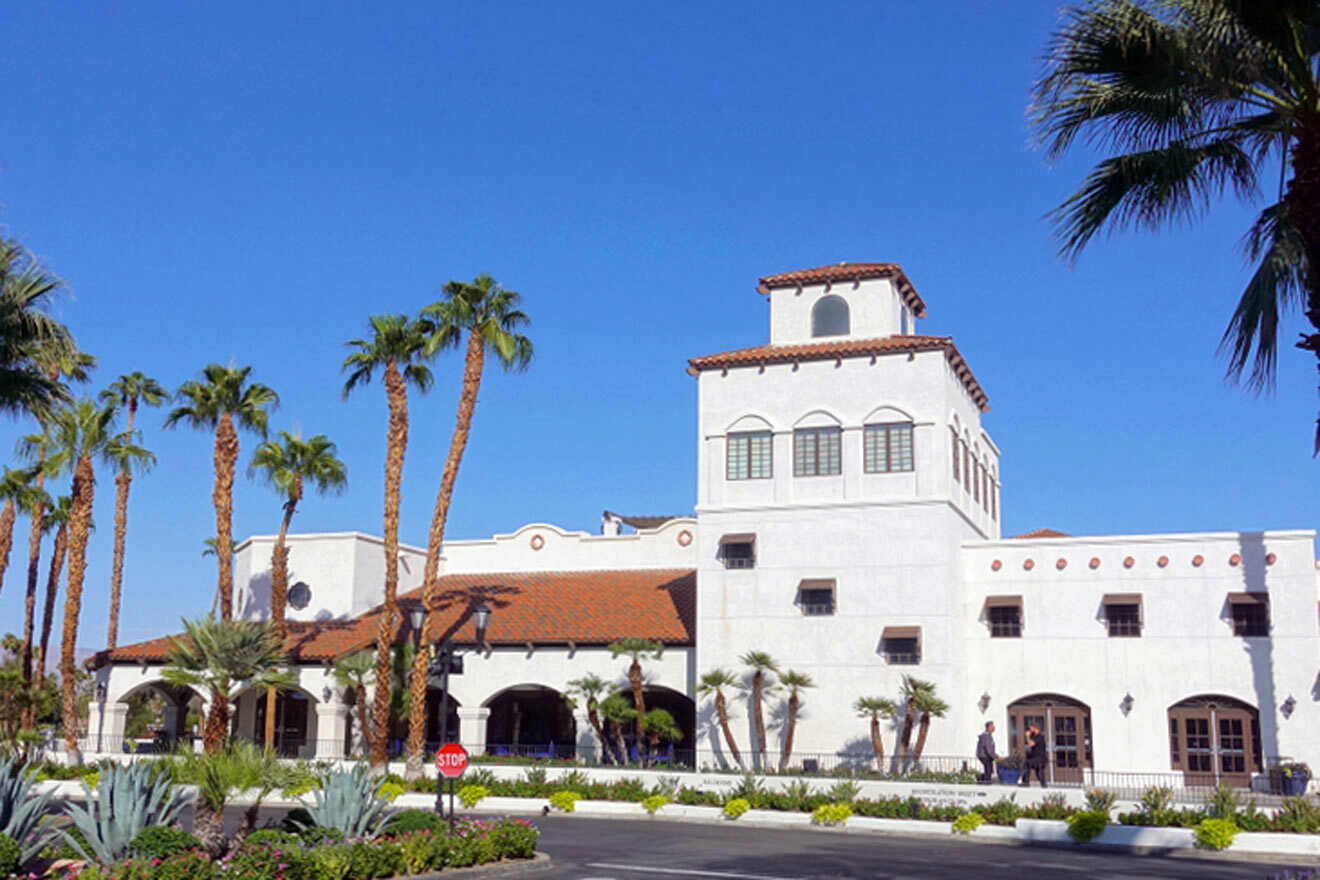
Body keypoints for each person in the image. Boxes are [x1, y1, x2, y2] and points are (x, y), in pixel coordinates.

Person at [1022, 723, 1048, 787]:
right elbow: (1028, 743)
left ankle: (1026, 782)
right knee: (1035, 770)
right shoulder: (1034, 736)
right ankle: (1026, 781)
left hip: (1040, 758)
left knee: (1027, 764)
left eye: (1031, 728)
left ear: (1035, 728)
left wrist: (1027, 736)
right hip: (1035, 757)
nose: (1030, 730)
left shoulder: (1040, 737)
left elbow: (1031, 744)